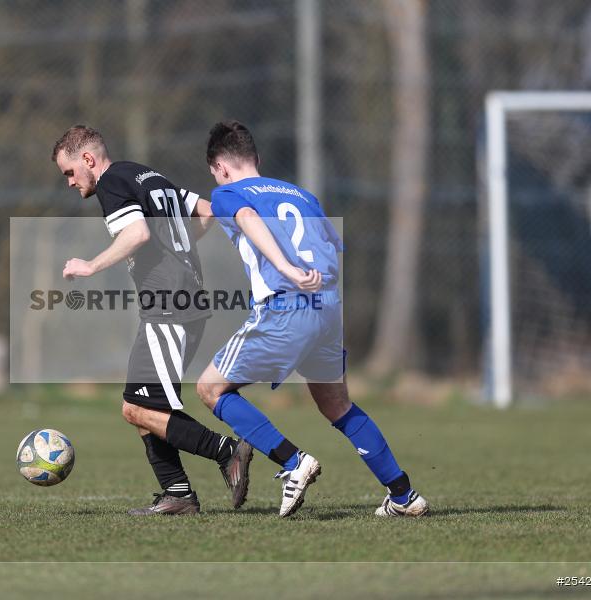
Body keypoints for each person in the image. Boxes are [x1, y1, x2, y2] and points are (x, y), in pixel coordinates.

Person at [195, 120, 429, 518]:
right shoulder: (302, 195)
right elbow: (333, 246)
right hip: (326, 308)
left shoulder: (228, 193)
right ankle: (403, 496)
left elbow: (247, 217)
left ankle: (293, 462)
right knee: (338, 405)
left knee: (210, 389)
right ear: (256, 158)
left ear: (220, 167)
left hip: (285, 308)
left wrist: (285, 268)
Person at [51, 125, 253, 516]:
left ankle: (226, 451)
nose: (70, 182)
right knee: (144, 407)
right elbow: (207, 209)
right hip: (181, 302)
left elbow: (137, 233)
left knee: (136, 408)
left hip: (169, 306)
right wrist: (179, 245)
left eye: (70, 172)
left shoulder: (112, 183)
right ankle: (178, 494)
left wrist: (90, 265)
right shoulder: (146, 175)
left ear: (88, 159)